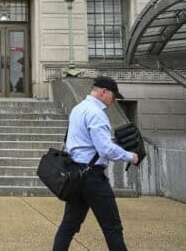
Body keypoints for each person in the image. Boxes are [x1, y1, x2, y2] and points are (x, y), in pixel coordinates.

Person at [53, 76, 140, 251]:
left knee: (68, 226)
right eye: (113, 96)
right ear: (103, 92)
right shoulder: (97, 113)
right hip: (93, 178)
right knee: (113, 229)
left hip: (76, 175)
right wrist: (130, 156)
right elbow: (105, 149)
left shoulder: (78, 109)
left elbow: (82, 140)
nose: (113, 101)